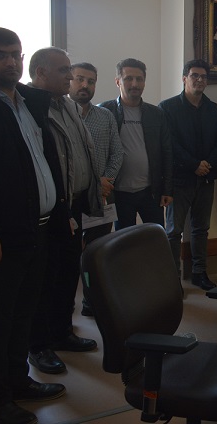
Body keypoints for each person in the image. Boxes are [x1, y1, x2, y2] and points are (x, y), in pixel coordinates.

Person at [0, 27, 66, 424]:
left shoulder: (28, 102)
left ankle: (18, 382)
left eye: (15, 54)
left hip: (38, 227)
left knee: (23, 313)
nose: (10, 62)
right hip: (2, 236)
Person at [28, 48, 102, 376]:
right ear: (40, 72)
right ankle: (39, 346)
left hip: (76, 203)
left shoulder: (68, 105)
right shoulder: (31, 107)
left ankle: (61, 332)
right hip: (50, 209)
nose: (70, 77)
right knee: (45, 278)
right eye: (63, 71)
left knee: (68, 273)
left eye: (70, 70)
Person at [159, 59, 217, 291]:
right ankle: (172, 280)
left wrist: (208, 164)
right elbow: (169, 144)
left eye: (203, 77)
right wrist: (193, 165)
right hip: (179, 180)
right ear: (184, 78)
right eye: (194, 75)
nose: (199, 80)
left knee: (201, 229)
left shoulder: (212, 108)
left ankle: (199, 273)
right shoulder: (168, 108)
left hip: (206, 179)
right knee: (173, 232)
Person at [68, 62, 123, 317]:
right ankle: (65, 306)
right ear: (70, 80)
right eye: (80, 79)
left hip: (101, 199)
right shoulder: (59, 114)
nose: (85, 85)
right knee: (69, 256)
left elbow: (117, 153)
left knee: (96, 253)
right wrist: (94, 182)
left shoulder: (105, 116)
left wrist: (105, 181)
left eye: (90, 81)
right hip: (70, 199)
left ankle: (91, 301)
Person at [100, 58, 173, 229]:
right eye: (128, 78)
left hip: (150, 192)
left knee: (155, 237)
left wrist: (167, 189)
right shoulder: (104, 111)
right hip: (119, 193)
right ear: (118, 81)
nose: (135, 84)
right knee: (125, 240)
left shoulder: (156, 114)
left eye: (139, 79)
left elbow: (167, 152)